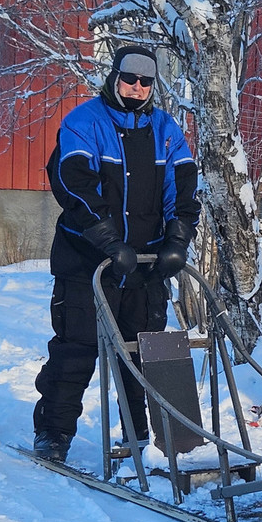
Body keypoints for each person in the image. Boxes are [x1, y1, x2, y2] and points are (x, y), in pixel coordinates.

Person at [32, 45, 201, 462]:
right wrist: (109, 241)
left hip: (145, 265)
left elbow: (182, 190)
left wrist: (177, 241)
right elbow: (73, 185)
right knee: (78, 346)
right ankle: (53, 433)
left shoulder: (166, 129)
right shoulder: (84, 122)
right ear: (114, 78)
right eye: (130, 79)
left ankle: (143, 436)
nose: (137, 88)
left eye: (146, 82)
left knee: (147, 351)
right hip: (88, 260)